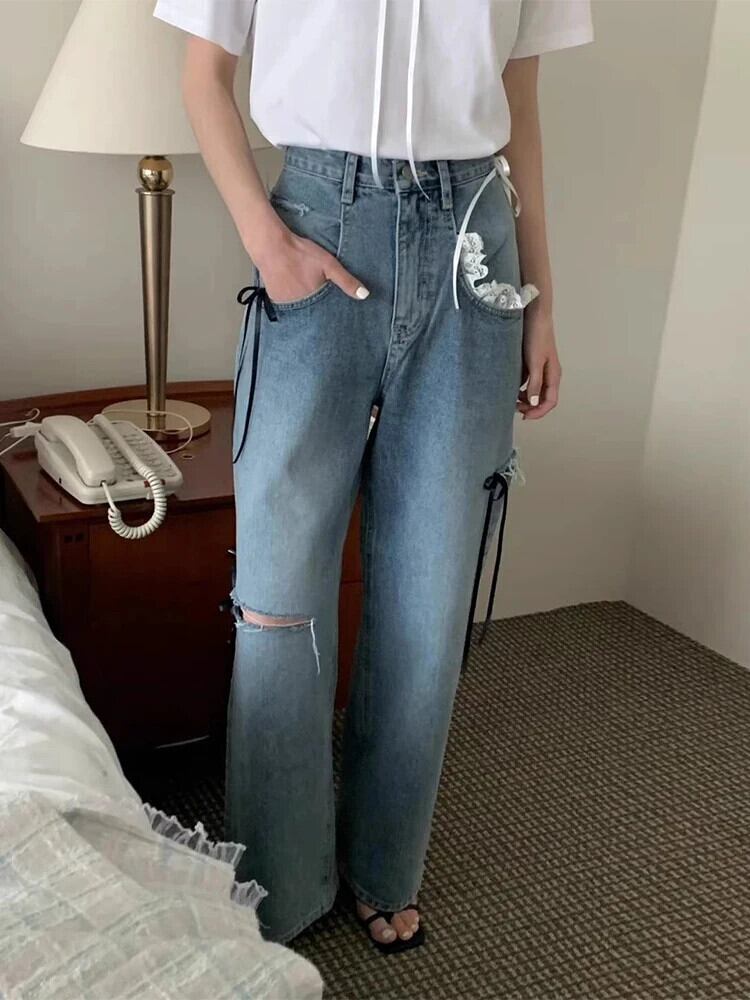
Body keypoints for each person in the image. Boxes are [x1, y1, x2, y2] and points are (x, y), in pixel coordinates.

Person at [154, 0, 593, 952]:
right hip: (317, 219)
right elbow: (202, 76)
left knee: (429, 594)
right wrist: (269, 245)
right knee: (278, 593)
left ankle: (385, 863)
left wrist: (543, 304)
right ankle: (280, 878)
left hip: (475, 242)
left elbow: (520, 102)